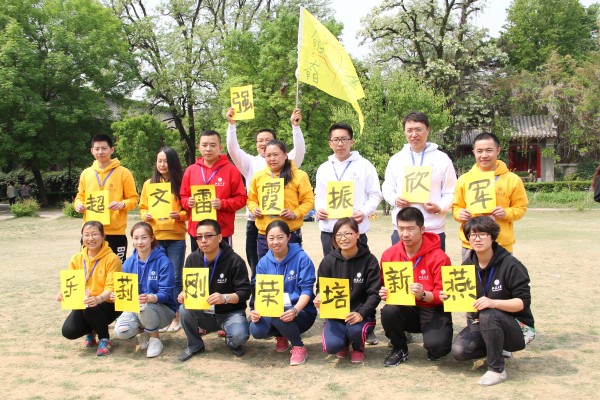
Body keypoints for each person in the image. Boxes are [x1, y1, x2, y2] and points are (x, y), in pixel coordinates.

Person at [448, 216, 535, 386]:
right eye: (472, 235)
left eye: (482, 234)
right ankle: (496, 346)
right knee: (460, 351)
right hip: (486, 323)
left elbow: (522, 303)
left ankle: (497, 370)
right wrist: (452, 296)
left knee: (489, 313)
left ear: (492, 237)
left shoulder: (511, 265)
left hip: (520, 328)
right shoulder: (467, 265)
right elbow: (469, 303)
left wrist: (494, 303)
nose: (477, 239)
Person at [226, 107, 306, 283]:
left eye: (268, 140)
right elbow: (233, 150)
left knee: (289, 267)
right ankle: (258, 297)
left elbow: (300, 151)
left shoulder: (288, 165)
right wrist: (231, 126)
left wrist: (295, 127)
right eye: (260, 141)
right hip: (257, 224)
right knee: (259, 267)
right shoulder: (250, 163)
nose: (263, 144)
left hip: (285, 224)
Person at [379, 207, 453, 367]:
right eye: (401, 228)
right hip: (405, 307)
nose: (405, 234)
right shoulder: (389, 255)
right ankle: (399, 347)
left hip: (432, 308)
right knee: (389, 311)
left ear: (422, 229)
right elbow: (385, 284)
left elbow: (445, 295)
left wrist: (424, 294)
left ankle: (434, 342)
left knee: (438, 349)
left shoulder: (440, 257)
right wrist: (384, 292)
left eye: (410, 229)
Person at [178, 219, 251, 361]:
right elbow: (188, 288)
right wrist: (183, 294)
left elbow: (245, 292)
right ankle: (195, 345)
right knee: (183, 308)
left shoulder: (235, 261)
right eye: (199, 237)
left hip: (229, 313)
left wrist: (225, 298)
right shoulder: (192, 259)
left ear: (219, 237)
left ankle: (231, 341)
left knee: (239, 336)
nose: (203, 240)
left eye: (208, 236)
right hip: (204, 312)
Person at [382, 111, 456, 251]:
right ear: (404, 132)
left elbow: (451, 191)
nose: (414, 134)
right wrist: (395, 200)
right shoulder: (396, 159)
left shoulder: (442, 159)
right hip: (402, 231)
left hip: (433, 230)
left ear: (428, 129)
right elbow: (387, 188)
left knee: (435, 266)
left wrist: (440, 207)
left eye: (418, 129)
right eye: (409, 130)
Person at [249, 220, 317, 366]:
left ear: (289, 237)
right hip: (274, 309)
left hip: (301, 311)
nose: (276, 242)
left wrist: (295, 310)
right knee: (256, 329)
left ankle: (299, 346)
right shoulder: (263, 262)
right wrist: (256, 311)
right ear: (266, 239)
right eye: (271, 238)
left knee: (279, 314)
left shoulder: (301, 258)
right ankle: (281, 335)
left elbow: (307, 290)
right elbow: (260, 291)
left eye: (280, 237)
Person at [315, 217, 381, 364]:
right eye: (338, 235)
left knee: (355, 331)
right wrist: (319, 297)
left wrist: (361, 313)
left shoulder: (369, 260)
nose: (343, 238)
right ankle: (343, 343)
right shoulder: (328, 261)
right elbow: (320, 287)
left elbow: (374, 293)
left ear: (357, 234)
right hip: (336, 315)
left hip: (360, 314)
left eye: (348, 234)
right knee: (332, 347)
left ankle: (358, 347)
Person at [452, 133, 528, 257]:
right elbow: (456, 207)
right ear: (474, 152)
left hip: (501, 244)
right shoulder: (464, 179)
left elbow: (521, 208)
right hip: (471, 244)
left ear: (498, 151)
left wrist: (506, 213)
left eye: (489, 150)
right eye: (479, 151)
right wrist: (459, 214)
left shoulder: (512, 179)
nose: (484, 155)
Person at [315, 122, 382, 257]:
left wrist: (364, 212)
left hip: (355, 230)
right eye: (336, 139)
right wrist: (319, 209)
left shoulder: (364, 165)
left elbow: (375, 194)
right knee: (331, 269)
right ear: (330, 143)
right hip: (330, 231)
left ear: (352, 141)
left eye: (344, 139)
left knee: (357, 268)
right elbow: (319, 195)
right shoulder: (324, 168)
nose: (340, 144)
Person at [139, 147, 187, 333]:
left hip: (175, 237)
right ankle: (161, 315)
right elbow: (142, 207)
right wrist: (145, 215)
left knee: (175, 277)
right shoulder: (149, 184)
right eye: (159, 161)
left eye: (166, 161)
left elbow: (188, 210)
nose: (162, 164)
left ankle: (176, 317)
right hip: (156, 237)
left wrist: (179, 215)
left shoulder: (181, 183)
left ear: (173, 162)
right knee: (157, 277)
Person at [112, 222, 177, 358]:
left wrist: (151, 298)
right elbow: (126, 292)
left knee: (145, 307)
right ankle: (146, 332)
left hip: (162, 309)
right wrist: (118, 296)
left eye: (144, 237)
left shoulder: (163, 261)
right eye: (136, 238)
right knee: (122, 331)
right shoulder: (128, 263)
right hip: (136, 308)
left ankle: (155, 339)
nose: (139, 242)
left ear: (152, 238)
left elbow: (166, 294)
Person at [57, 221, 122, 356]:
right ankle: (91, 331)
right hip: (85, 303)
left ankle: (104, 339)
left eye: (94, 234)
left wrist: (99, 298)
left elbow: (111, 287)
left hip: (108, 304)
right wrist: (63, 293)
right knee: (69, 331)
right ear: (82, 237)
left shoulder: (112, 258)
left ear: (103, 236)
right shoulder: (76, 258)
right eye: (86, 235)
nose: (90, 238)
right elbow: (72, 282)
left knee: (91, 308)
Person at [74, 134, 139, 263]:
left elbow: (133, 199)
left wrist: (122, 204)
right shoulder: (86, 173)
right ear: (92, 151)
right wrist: (78, 204)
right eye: (97, 149)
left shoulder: (124, 173)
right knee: (90, 268)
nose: (100, 152)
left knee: (117, 269)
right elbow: (80, 196)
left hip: (115, 232)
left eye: (104, 148)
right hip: (91, 232)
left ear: (112, 150)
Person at [180, 130, 247, 252]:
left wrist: (223, 204)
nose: (208, 149)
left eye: (212, 145)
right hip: (198, 231)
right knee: (198, 262)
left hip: (221, 231)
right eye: (204, 145)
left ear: (220, 148)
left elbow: (241, 199)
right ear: (199, 147)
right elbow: (183, 197)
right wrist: (187, 202)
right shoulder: (191, 170)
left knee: (223, 263)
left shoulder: (231, 170)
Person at [247, 140, 314, 260]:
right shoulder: (258, 176)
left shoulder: (299, 175)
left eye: (276, 154)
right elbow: (251, 199)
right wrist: (254, 208)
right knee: (266, 268)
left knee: (291, 268)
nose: (272, 158)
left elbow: (308, 200)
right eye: (268, 155)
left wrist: (295, 213)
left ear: (285, 155)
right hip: (265, 233)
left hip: (290, 232)